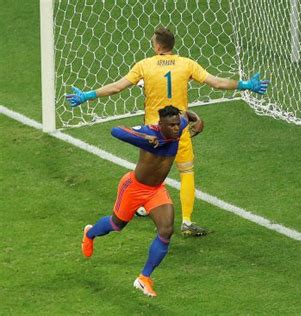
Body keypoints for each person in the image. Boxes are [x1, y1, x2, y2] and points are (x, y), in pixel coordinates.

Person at [67, 26, 269, 237]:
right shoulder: (186, 64)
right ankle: (187, 222)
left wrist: (87, 95)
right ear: (172, 46)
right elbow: (217, 83)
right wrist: (245, 85)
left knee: (148, 171)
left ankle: (143, 204)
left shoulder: (145, 65)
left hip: (152, 133)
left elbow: (117, 87)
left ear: (157, 46)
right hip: (178, 129)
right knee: (187, 171)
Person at [82, 105, 201, 297]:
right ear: (160, 124)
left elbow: (187, 114)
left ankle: (144, 278)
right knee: (116, 224)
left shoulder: (178, 126)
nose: (176, 129)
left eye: (177, 125)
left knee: (166, 230)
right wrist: (145, 138)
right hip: (134, 187)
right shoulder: (149, 133)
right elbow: (116, 131)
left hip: (155, 190)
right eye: (171, 125)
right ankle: (90, 233)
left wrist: (198, 120)